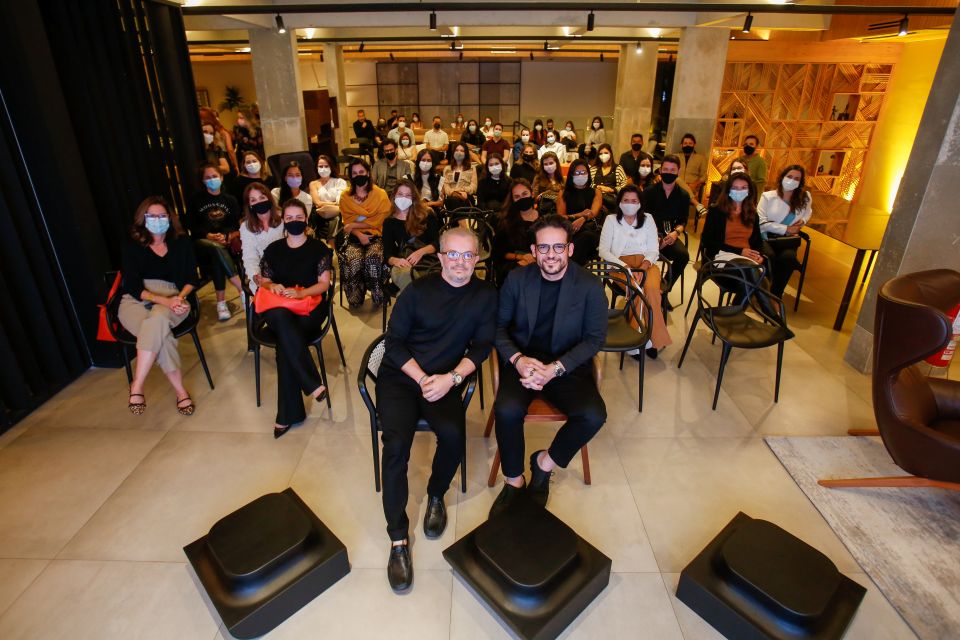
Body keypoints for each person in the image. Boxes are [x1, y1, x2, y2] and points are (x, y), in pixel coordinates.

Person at [379, 226, 497, 592]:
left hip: (445, 377)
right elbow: (393, 343)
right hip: (402, 377)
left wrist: (452, 378)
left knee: (453, 434)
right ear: (441, 257)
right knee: (396, 445)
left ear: (476, 260)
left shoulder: (485, 296)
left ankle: (435, 494)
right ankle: (398, 539)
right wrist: (420, 378)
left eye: (468, 256)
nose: (460, 263)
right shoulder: (416, 291)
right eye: (453, 254)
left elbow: (482, 346)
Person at [489, 215, 608, 515]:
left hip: (565, 367)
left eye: (558, 247)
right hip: (523, 361)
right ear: (534, 249)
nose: (551, 254)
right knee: (506, 409)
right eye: (544, 248)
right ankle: (514, 480)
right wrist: (518, 361)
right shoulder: (517, 280)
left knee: (594, 415)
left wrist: (555, 368)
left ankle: (544, 463)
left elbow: (594, 340)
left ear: (569, 249)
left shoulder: (590, 286)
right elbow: (498, 328)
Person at [257, 199, 331, 438]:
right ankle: (311, 382)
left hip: (309, 307)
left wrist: (300, 292)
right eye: (289, 218)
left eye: (298, 217)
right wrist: (274, 285)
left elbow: (324, 284)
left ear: (306, 219)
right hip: (281, 306)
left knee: (284, 344)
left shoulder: (318, 248)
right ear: (283, 222)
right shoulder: (274, 249)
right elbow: (264, 281)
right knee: (279, 317)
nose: (294, 222)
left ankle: (288, 415)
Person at [120, 196, 198, 417]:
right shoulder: (131, 244)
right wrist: (165, 301)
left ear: (170, 218)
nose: (157, 219)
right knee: (161, 332)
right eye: (152, 216)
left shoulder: (181, 242)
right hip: (137, 300)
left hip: (175, 297)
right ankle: (180, 391)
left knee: (157, 321)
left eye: (162, 215)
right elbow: (133, 286)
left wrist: (180, 298)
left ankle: (137, 385)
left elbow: (192, 277)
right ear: (142, 219)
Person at [598, 186, 671, 358]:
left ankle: (654, 338)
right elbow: (603, 251)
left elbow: (654, 249)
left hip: (647, 263)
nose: (630, 204)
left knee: (652, 291)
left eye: (634, 201)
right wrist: (627, 268)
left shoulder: (648, 219)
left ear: (640, 203)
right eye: (626, 200)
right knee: (638, 290)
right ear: (619, 202)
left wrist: (644, 266)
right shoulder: (611, 220)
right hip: (620, 264)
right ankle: (635, 339)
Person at [700, 173, 768, 307]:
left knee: (750, 278)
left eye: (743, 188)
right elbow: (707, 241)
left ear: (749, 191)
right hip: (722, 257)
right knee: (755, 275)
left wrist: (759, 255)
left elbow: (757, 242)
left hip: (747, 261)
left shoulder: (753, 214)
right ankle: (774, 318)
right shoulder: (716, 211)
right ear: (728, 190)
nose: (739, 191)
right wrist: (739, 251)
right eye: (735, 188)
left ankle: (732, 314)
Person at [188, 163, 244, 321]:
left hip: (224, 242)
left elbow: (234, 225)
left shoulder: (230, 200)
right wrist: (208, 235)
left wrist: (226, 236)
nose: (212, 180)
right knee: (214, 248)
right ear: (203, 181)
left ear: (221, 177)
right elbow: (191, 225)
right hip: (202, 243)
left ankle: (221, 304)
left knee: (217, 255)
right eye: (208, 177)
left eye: (214, 176)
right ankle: (241, 288)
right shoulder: (195, 200)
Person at [339, 159, 392, 308]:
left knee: (373, 260)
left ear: (368, 173)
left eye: (361, 172)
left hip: (376, 236)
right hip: (354, 237)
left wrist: (354, 224)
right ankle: (356, 296)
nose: (358, 175)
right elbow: (346, 222)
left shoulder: (380, 194)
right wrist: (359, 233)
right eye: (354, 173)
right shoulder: (345, 197)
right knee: (354, 262)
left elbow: (380, 220)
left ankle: (378, 295)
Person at [758, 165, 813, 298]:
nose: (792, 180)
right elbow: (761, 223)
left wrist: (803, 221)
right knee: (769, 257)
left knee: (788, 258)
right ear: (782, 177)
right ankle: (762, 291)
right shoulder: (768, 197)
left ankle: (775, 295)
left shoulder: (805, 197)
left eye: (796, 179)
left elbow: (808, 212)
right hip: (766, 237)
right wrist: (786, 229)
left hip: (788, 240)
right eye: (789, 177)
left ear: (800, 182)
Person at [642, 154, 690, 295]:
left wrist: (676, 233)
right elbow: (642, 217)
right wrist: (655, 236)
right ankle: (642, 289)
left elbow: (683, 221)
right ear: (660, 170)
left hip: (669, 236)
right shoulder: (649, 192)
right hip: (648, 236)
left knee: (683, 256)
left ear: (678, 172)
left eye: (672, 170)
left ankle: (663, 290)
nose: (668, 173)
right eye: (666, 169)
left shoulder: (683, 195)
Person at [383, 179, 440, 291]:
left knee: (422, 282)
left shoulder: (426, 215)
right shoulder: (389, 222)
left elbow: (437, 243)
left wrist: (420, 252)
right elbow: (387, 253)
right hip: (403, 264)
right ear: (394, 196)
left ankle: (411, 302)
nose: (403, 198)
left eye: (408, 195)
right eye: (400, 194)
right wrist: (396, 261)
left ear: (413, 198)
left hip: (427, 262)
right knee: (406, 276)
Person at [493, 179, 539, 286]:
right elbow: (500, 253)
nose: (522, 199)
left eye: (524, 194)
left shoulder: (545, 218)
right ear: (512, 200)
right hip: (515, 262)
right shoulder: (507, 223)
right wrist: (522, 257)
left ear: (532, 193)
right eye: (517, 197)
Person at [240, 183, 284, 295]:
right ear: (249, 205)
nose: (259, 202)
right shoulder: (246, 227)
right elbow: (249, 257)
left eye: (262, 198)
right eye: (253, 200)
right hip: (262, 275)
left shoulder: (284, 218)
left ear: (269, 198)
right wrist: (255, 275)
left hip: (286, 269)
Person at [555, 158, 601, 264]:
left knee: (585, 237)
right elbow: (560, 217)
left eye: (583, 172)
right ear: (571, 175)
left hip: (589, 230)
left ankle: (569, 268)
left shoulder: (596, 192)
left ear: (588, 174)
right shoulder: (563, 193)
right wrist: (578, 215)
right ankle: (574, 271)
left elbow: (593, 212)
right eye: (577, 173)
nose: (580, 175)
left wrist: (583, 218)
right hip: (569, 230)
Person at [308, 155, 347, 237]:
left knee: (338, 217)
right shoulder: (313, 184)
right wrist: (335, 204)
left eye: (326, 166)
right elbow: (318, 203)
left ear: (331, 167)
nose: (323, 169)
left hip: (338, 211)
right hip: (321, 212)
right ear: (316, 168)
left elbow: (342, 201)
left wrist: (334, 204)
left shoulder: (340, 182)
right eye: (320, 166)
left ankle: (332, 242)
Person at [589, 143, 627, 212]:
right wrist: (597, 187)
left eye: (606, 153)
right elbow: (588, 183)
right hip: (596, 198)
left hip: (612, 199)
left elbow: (624, 184)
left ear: (611, 154)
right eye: (601, 154)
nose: (603, 155)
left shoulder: (618, 168)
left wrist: (612, 190)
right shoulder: (593, 169)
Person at [441, 142, 477, 210]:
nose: (459, 152)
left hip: (467, 196)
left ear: (465, 153)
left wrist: (464, 191)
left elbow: (474, 186)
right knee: (453, 201)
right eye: (457, 150)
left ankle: (457, 220)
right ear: (453, 152)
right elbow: (446, 187)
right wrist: (455, 192)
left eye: (462, 151)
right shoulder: (447, 169)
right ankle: (461, 220)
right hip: (452, 197)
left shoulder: (472, 168)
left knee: (457, 204)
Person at [677, 133, 707, 200]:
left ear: (694, 145)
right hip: (676, 188)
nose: (688, 145)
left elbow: (704, 175)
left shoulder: (701, 158)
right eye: (685, 143)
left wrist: (695, 184)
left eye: (690, 143)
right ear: (681, 145)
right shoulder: (675, 157)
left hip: (692, 189)